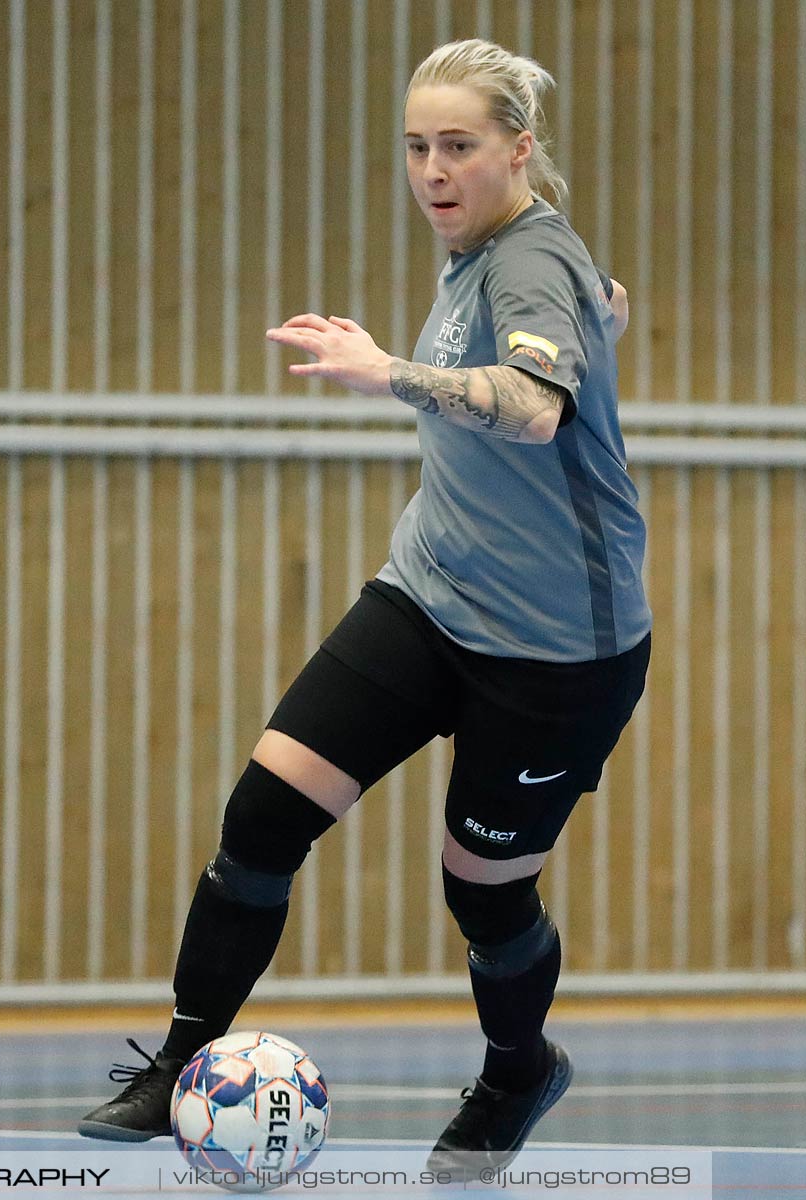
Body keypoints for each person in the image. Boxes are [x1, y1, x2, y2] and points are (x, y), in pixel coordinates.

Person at [78, 38, 647, 1179]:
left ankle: (517, 1071)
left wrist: (382, 370)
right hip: (429, 595)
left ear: (519, 149)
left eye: (460, 147)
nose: (433, 170)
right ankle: (184, 1066)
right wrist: (603, 316)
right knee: (262, 819)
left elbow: (533, 408)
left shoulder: (530, 254)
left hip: (555, 651)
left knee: (481, 891)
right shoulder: (489, 253)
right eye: (417, 147)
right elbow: (573, 331)